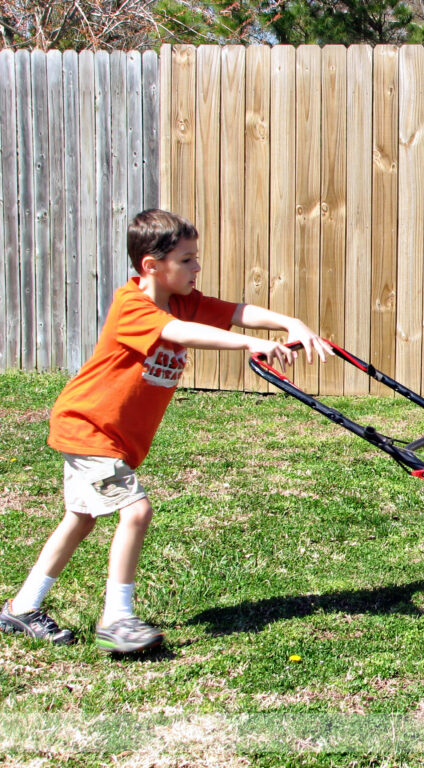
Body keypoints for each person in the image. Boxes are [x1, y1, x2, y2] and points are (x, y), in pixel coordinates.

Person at [0, 209, 331, 654]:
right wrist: (250, 343)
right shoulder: (132, 305)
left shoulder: (181, 299)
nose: (197, 268)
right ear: (151, 266)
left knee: (80, 519)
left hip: (108, 436)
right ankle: (118, 620)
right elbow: (179, 332)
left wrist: (289, 323)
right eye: (187, 260)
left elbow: (235, 311)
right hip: (90, 428)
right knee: (135, 511)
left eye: (196, 258)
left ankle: (22, 607)